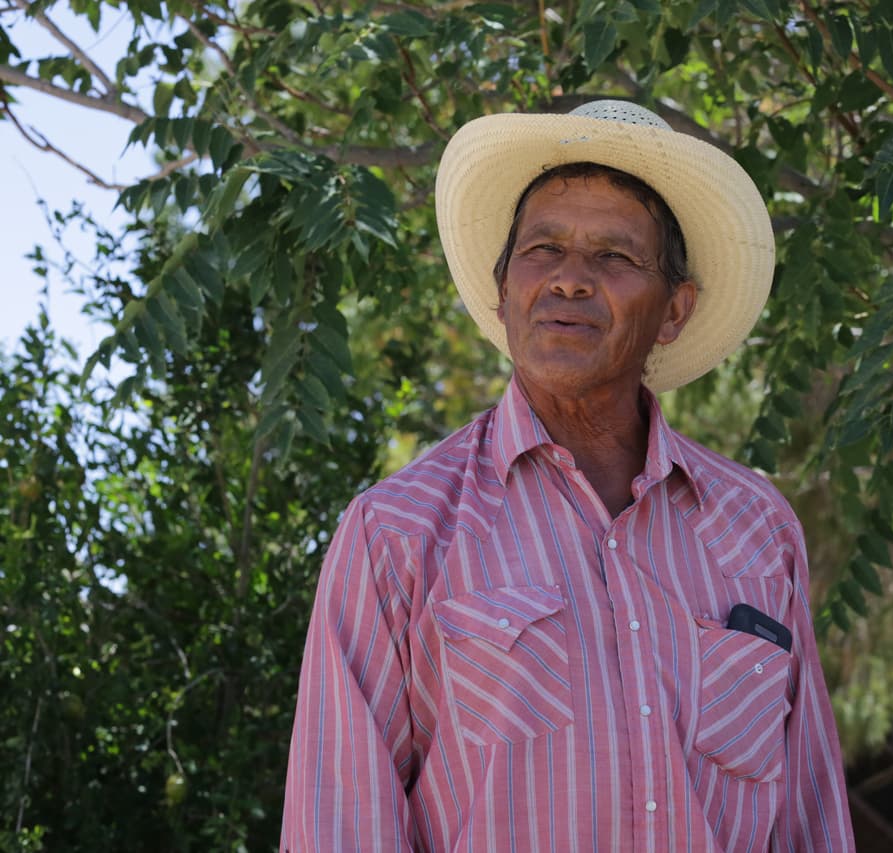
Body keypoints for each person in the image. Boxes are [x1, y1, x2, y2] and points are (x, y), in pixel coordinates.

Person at [280, 100, 856, 852]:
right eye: (543, 248)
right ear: (502, 290)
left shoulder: (758, 530)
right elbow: (339, 828)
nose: (570, 280)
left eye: (614, 257)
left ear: (674, 311)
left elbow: (811, 817)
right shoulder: (398, 532)